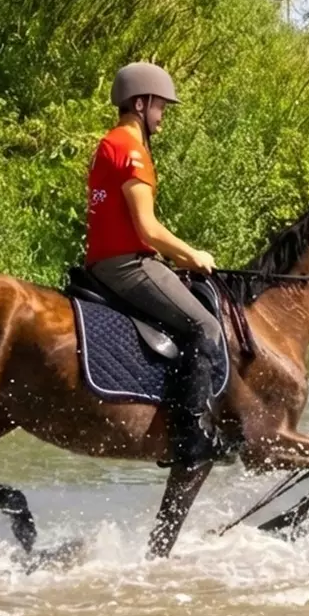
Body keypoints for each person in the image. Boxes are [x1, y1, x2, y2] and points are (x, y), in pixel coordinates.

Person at [85, 62, 223, 468]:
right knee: (205, 325)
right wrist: (191, 255)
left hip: (107, 261)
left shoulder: (109, 143)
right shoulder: (132, 152)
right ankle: (190, 436)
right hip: (127, 265)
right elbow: (147, 228)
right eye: (160, 105)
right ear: (140, 104)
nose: (163, 115)